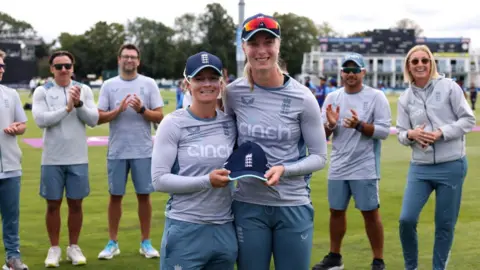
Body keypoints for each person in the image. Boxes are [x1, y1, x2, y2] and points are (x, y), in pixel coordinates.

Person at [225, 13, 328, 270]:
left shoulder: (303, 98)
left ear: (278, 45)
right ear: (243, 47)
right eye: (253, 43)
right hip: (248, 204)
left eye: (268, 42)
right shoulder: (232, 93)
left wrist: (286, 170)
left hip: (292, 204)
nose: (261, 50)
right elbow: (225, 144)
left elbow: (319, 156)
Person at [152, 51, 237, 270]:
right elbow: (159, 180)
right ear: (187, 84)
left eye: (212, 78)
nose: (206, 84)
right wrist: (206, 180)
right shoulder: (173, 124)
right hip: (185, 228)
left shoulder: (230, 124)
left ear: (221, 83)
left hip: (224, 229)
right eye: (199, 78)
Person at [396, 45, 475, 270]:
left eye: (425, 60)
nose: (420, 65)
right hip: (419, 168)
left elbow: (468, 120)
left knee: (444, 224)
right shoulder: (405, 98)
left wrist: (441, 133)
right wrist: (411, 134)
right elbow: (401, 133)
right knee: (406, 219)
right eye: (415, 62)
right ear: (408, 67)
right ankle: (411, 267)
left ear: (431, 63)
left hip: (452, 165)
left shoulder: (450, 87)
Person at [312, 53, 391, 270]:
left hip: (365, 165)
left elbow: (384, 131)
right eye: (346, 70)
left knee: (370, 213)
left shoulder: (376, 97)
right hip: (339, 164)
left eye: (355, 70)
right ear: (341, 73)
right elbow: (323, 135)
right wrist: (329, 125)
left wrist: (359, 125)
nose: (350, 74)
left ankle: (378, 260)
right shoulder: (333, 98)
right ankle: (335, 257)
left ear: (363, 72)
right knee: (336, 211)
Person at [32, 50, 99, 267]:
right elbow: (41, 120)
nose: (63, 70)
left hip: (78, 157)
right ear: (51, 69)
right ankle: (54, 249)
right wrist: (66, 108)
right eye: (59, 66)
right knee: (52, 205)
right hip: (52, 158)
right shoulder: (42, 91)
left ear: (73, 67)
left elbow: (93, 119)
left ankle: (73, 247)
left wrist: (78, 105)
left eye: (67, 66)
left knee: (76, 204)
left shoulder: (84, 89)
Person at [97, 44, 164, 260]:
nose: (129, 60)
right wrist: (118, 110)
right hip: (117, 150)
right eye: (126, 56)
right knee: (115, 196)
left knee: (144, 196)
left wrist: (142, 110)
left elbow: (160, 116)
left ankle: (146, 242)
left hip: (143, 150)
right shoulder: (109, 85)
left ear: (138, 61)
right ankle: (112, 243)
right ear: (119, 60)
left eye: (133, 57)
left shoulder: (148, 83)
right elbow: (99, 116)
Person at [0, 50, 29, 270]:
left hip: (10, 167)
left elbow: (22, 125)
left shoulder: (11, 94)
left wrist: (16, 128)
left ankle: (12, 259)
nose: (1, 70)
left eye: (2, 66)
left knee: (11, 219)